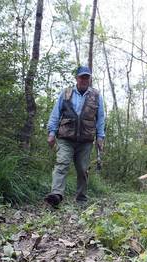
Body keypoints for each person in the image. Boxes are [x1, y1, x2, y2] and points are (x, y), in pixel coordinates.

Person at [45, 66, 105, 207]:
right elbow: (55, 114)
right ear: (76, 78)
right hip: (65, 138)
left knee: (83, 169)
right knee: (62, 164)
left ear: (90, 79)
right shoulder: (65, 93)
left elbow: (100, 118)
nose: (84, 79)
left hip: (85, 140)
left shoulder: (96, 96)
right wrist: (52, 133)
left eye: (87, 77)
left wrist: (100, 137)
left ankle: (81, 199)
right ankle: (56, 195)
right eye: (81, 77)